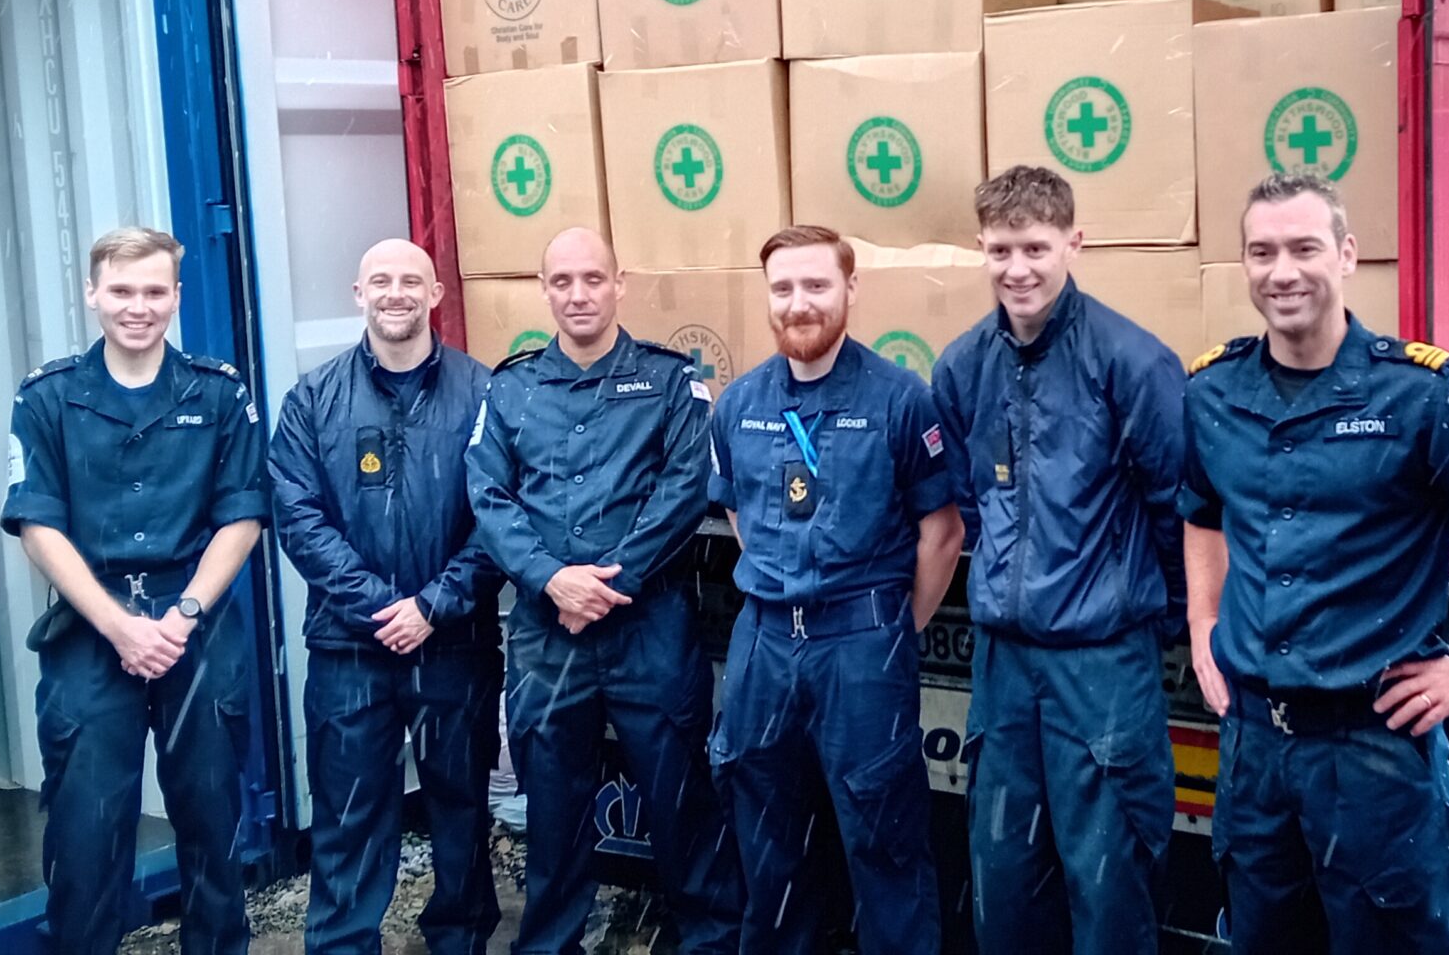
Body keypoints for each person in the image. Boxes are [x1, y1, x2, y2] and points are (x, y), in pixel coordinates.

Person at [1180, 174, 1449, 955]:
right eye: (1262, 253)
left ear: (1347, 255)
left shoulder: (1422, 395)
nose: (1282, 271)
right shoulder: (1212, 391)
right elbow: (1202, 511)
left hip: (1375, 751)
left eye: (1304, 248)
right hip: (1255, 751)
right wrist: (1203, 620)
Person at [465, 228, 743, 955]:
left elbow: (685, 490)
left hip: (648, 628)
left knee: (681, 804)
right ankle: (551, 944)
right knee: (553, 816)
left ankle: (711, 941)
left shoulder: (670, 381)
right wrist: (550, 578)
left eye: (593, 278)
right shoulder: (512, 388)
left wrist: (607, 582)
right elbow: (488, 496)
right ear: (544, 290)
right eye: (562, 281)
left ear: (620, 284)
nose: (579, 294)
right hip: (547, 634)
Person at [928, 167, 1181, 954]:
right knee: (1003, 878)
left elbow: (1178, 508)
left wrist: (1150, 618)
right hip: (1004, 665)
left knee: (1107, 883)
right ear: (981, 247)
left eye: (1036, 248)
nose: (1018, 269)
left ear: (1074, 242)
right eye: (1001, 249)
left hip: (1101, 665)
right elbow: (971, 502)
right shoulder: (962, 366)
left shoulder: (1130, 362)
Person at [0, 228, 269, 955]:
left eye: (154, 291)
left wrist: (182, 616)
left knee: (213, 823)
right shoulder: (48, 396)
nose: (138, 307)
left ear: (176, 297)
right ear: (93, 293)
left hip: (197, 628)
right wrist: (120, 625)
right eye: (121, 290)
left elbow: (242, 518)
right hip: (91, 630)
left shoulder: (218, 392)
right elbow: (37, 526)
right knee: (86, 835)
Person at [706, 226, 964, 954]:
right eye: (783, 288)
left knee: (885, 841)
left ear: (851, 289)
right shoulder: (738, 405)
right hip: (763, 643)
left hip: (861, 646)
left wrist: (891, 629)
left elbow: (942, 533)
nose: (800, 303)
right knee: (767, 843)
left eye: (817, 285)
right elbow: (740, 513)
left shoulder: (900, 400)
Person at [271, 239, 505, 955]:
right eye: (380, 280)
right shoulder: (313, 399)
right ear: (358, 293)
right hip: (349, 649)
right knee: (348, 816)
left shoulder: (485, 393)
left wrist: (435, 605)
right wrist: (380, 608)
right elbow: (297, 516)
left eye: (411, 280)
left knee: (461, 812)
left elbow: (503, 516)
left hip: (454, 644)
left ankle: (460, 940)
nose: (395, 292)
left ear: (436, 294)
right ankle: (343, 943)